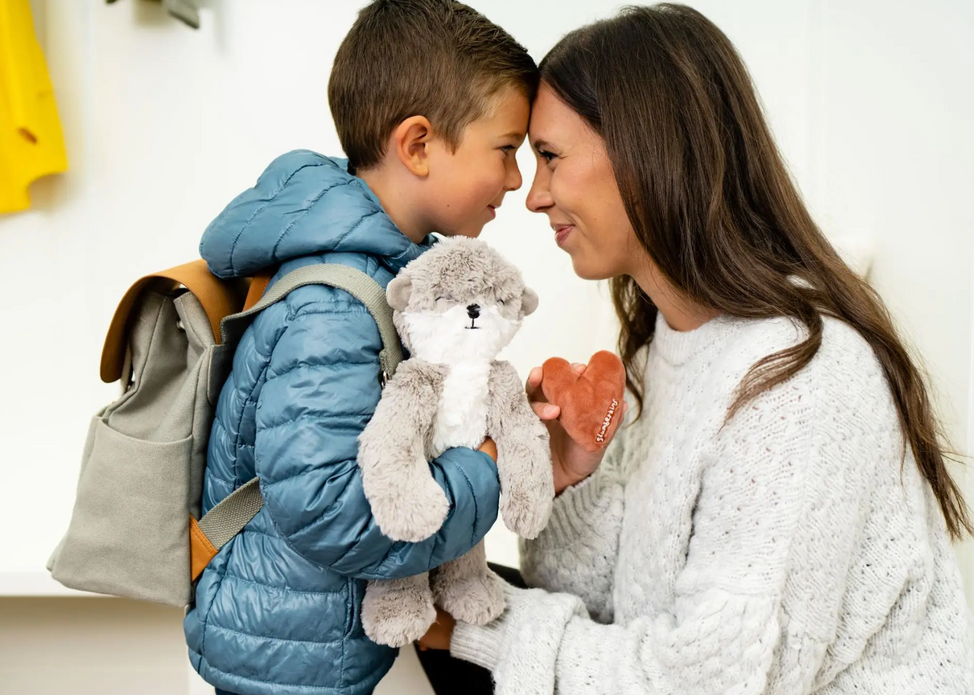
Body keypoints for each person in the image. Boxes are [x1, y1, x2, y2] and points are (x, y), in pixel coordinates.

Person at [415, 5, 974, 694]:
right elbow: (599, 601)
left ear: (647, 151)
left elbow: (707, 682)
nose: (534, 196)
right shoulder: (666, 347)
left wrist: (469, 630)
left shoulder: (796, 382)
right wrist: (574, 477)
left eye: (552, 158)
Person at [182, 2, 538, 694]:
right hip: (283, 661)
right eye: (506, 148)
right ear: (418, 145)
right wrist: (486, 473)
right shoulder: (335, 308)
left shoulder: (391, 277)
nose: (518, 178)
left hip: (306, 640)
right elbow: (327, 509)